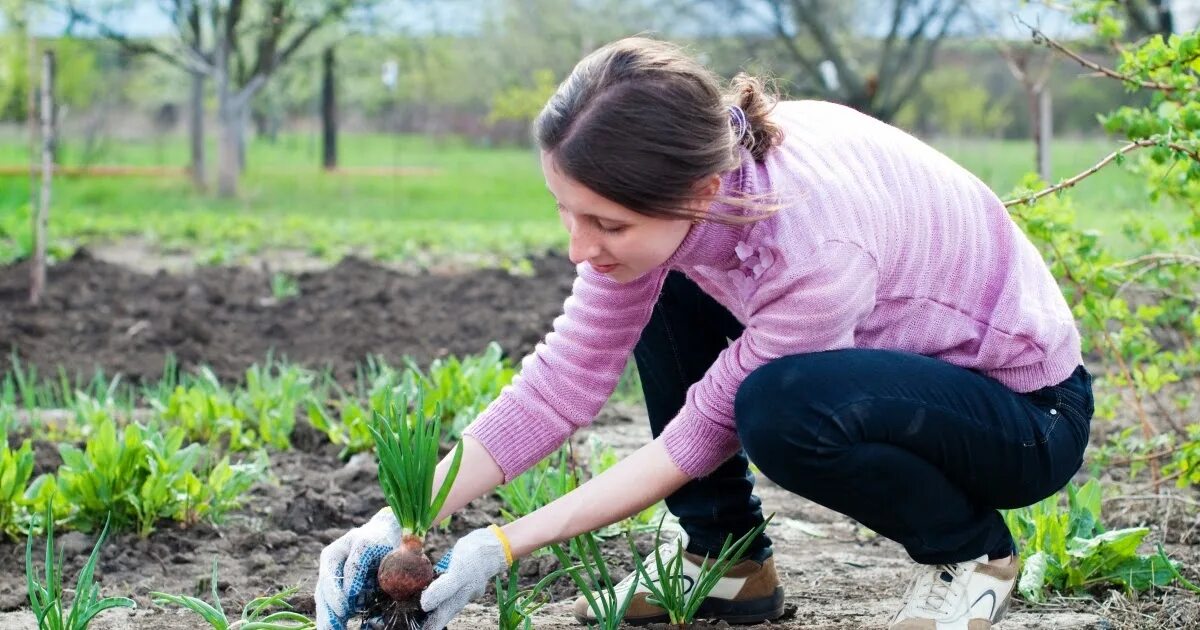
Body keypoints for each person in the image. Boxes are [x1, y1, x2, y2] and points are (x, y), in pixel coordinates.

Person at [314, 36, 1093, 630]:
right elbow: (562, 383)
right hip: (896, 375)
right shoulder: (693, 187)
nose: (578, 247)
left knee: (781, 408)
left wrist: (501, 545)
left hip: (1022, 417)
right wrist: (403, 514)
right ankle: (727, 565)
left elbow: (692, 441)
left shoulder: (812, 245)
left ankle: (972, 555)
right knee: (657, 285)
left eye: (606, 223)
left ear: (701, 191)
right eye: (568, 211)